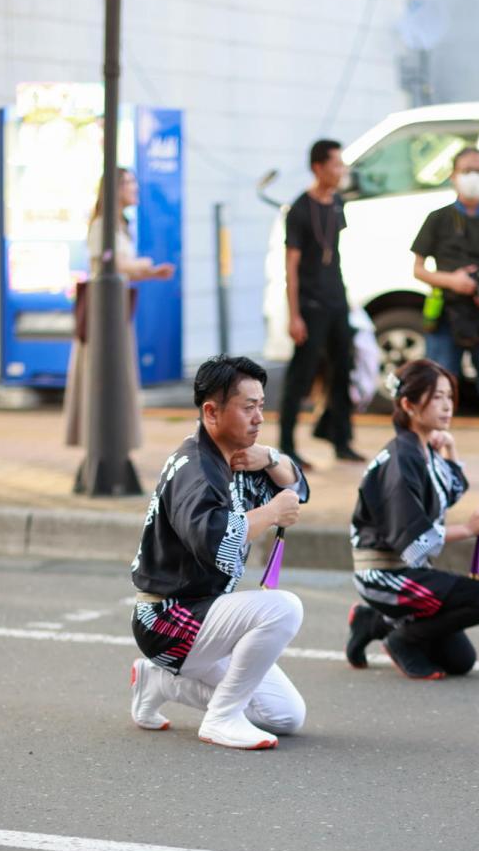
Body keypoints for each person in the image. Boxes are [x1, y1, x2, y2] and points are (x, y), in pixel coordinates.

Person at [130, 354, 309, 750]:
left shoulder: (239, 456)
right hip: (167, 618)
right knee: (284, 607)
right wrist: (271, 512)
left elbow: (299, 492)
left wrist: (273, 458)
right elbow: (214, 541)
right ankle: (222, 718)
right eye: (248, 407)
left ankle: (158, 682)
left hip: (208, 618)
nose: (259, 417)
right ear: (212, 412)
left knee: (286, 717)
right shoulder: (196, 468)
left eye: (261, 405)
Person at [346, 358, 479, 680]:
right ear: (408, 404)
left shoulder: (420, 448)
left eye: (449, 396)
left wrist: (450, 451)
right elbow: (412, 537)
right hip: (385, 575)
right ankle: (401, 639)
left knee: (461, 661)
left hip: (409, 572)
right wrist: (469, 529)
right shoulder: (402, 459)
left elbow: (450, 489)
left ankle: (373, 622)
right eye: (436, 398)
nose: (447, 406)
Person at [411, 147, 479, 489]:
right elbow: (418, 269)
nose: (473, 176)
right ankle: (428, 459)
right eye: (467, 170)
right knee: (435, 394)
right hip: (447, 315)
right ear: (453, 175)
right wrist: (454, 281)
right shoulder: (438, 219)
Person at [64, 169, 175, 449]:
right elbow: (110, 266)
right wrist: (144, 266)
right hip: (104, 311)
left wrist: (150, 273)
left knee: (119, 371)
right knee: (103, 371)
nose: (135, 188)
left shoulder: (120, 225)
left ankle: (117, 438)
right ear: (114, 189)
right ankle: (100, 437)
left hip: (118, 307)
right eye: (129, 183)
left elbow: (121, 268)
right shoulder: (103, 225)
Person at [279, 139, 363, 469]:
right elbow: (291, 267)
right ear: (318, 167)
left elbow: (334, 254)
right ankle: (287, 443)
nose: (341, 171)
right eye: (336, 165)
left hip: (336, 300)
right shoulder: (300, 209)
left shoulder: (337, 203)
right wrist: (294, 314)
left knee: (343, 368)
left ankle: (341, 438)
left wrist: (346, 299)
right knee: (302, 373)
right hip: (311, 304)